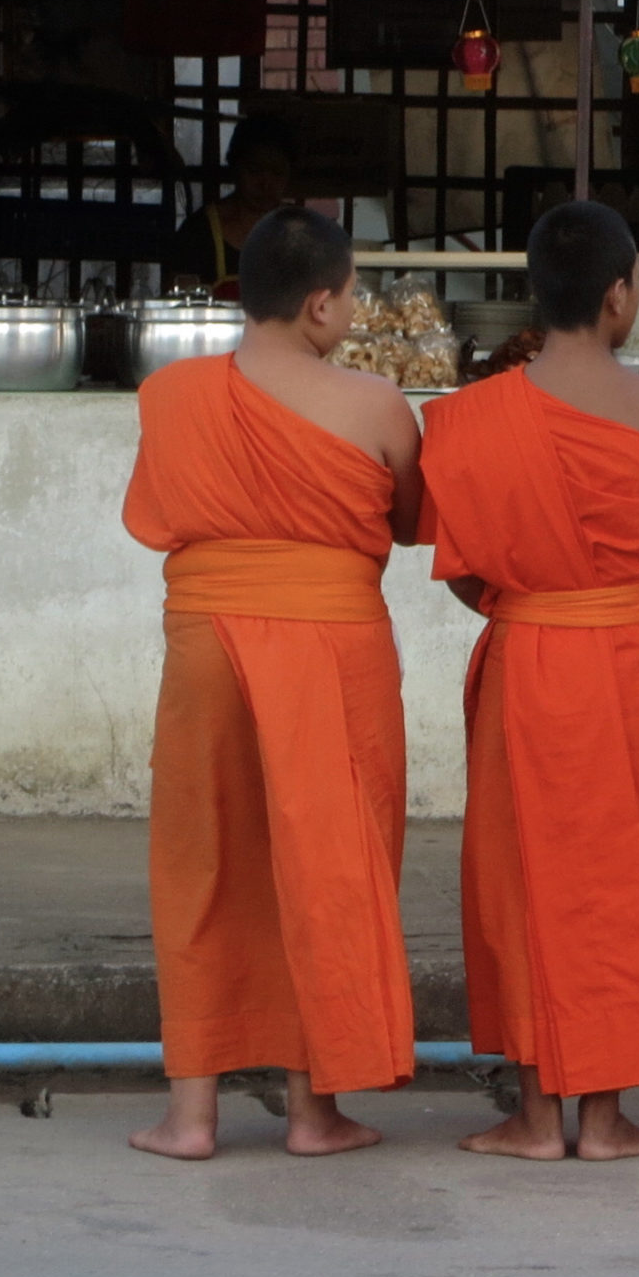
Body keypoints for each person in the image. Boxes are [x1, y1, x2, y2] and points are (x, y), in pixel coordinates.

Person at [120, 206, 423, 1159]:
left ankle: (191, 1114)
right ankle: (313, 1110)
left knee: (201, 858)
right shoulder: (376, 406)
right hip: (335, 644)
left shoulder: (169, 394)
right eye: (354, 295)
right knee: (330, 861)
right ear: (324, 304)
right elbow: (410, 522)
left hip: (207, 640)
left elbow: (164, 512)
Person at [420, 200, 639, 1163]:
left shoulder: (462, 418)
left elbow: (463, 567)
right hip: (624, 658)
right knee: (622, 880)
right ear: (623, 296)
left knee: (524, 877)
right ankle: (608, 1118)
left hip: (525, 660)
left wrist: (535, 599)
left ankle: (536, 1117)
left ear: (532, 298)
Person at [167, 116, 297, 298]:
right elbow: (181, 304)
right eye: (254, 170)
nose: (265, 184)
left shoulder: (305, 234)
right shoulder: (198, 233)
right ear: (235, 167)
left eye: (277, 173)